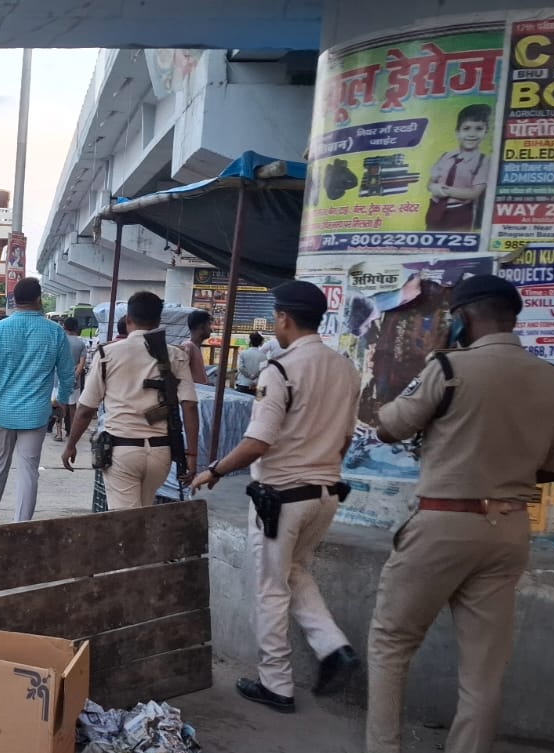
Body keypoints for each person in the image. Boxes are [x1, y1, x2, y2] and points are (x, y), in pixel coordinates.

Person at [341, 274, 554, 753]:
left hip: (444, 523)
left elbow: (390, 426)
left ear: (464, 317)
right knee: (484, 669)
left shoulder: (448, 368)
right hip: (508, 530)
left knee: (393, 639)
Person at [190, 281, 362, 713]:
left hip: (281, 499)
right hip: (325, 494)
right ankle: (334, 648)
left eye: (275, 318)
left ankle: (276, 684)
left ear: (284, 318)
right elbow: (345, 440)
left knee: (269, 588)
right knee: (294, 571)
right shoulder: (346, 369)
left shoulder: (280, 369)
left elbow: (259, 441)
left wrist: (215, 470)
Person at [63, 291, 199, 508]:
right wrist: (192, 454)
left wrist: (71, 444)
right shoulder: (176, 355)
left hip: (121, 452)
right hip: (160, 453)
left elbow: (86, 409)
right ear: (158, 321)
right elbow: (190, 406)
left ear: (127, 320)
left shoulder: (107, 354)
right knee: (143, 513)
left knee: (126, 521)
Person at [0, 277, 76, 525]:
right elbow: (67, 374)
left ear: (14, 300)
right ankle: (21, 524)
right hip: (36, 413)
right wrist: (61, 400)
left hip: (2, 410)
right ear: (39, 299)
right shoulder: (55, 332)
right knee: (29, 471)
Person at [426, 104, 493, 230]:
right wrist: (431, 186)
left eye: (478, 129)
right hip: (435, 209)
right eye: (466, 128)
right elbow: (431, 181)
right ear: (458, 132)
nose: (472, 134)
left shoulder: (483, 161)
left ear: (485, 132)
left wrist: (442, 190)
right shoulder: (446, 156)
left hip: (459, 213)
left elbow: (474, 193)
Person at [52, 319, 89, 440]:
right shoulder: (81, 344)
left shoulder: (59, 341)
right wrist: (74, 377)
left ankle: (59, 433)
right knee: (73, 407)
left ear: (64, 327)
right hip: (74, 381)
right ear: (76, 328)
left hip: (58, 379)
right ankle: (72, 432)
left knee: (59, 406)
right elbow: (81, 364)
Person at [183, 310, 212, 387]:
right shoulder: (188, 346)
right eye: (209, 325)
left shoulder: (195, 347)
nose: (211, 330)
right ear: (201, 327)